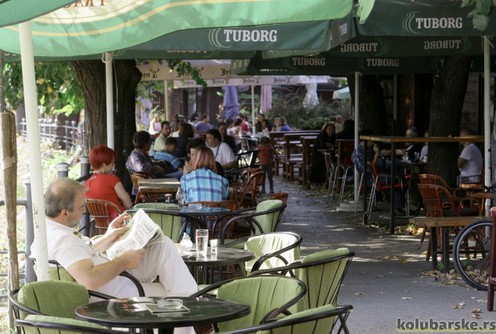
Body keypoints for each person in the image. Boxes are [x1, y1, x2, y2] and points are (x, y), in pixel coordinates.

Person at [31, 178, 197, 316]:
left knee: (162, 247)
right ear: (65, 213)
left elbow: (79, 256)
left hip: (114, 278)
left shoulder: (50, 230)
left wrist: (109, 236)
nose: (84, 211)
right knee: (174, 294)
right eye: (82, 207)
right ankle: (195, 316)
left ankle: (194, 315)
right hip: (109, 295)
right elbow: (89, 280)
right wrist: (123, 261)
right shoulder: (62, 240)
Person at [85, 145, 132, 218]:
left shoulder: (87, 183)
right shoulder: (112, 179)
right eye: (112, 162)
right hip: (119, 220)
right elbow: (128, 203)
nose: (114, 165)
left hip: (99, 223)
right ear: (104, 165)